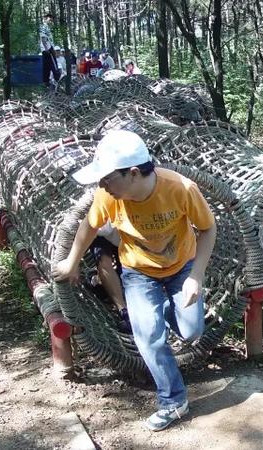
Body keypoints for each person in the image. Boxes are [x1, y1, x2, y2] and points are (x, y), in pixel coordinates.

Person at [52, 130, 216, 431]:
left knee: (192, 332)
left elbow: (208, 228)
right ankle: (173, 399)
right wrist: (71, 261)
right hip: (139, 272)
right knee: (149, 337)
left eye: (106, 178)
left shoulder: (180, 188)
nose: (101, 186)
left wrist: (196, 275)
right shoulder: (108, 196)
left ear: (134, 172)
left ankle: (169, 309)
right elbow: (89, 226)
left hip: (181, 268)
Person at [89, 221, 131, 333]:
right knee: (103, 260)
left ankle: (134, 305)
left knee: (128, 269)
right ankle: (123, 310)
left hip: (125, 232)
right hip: (98, 230)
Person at [39, 13, 60, 90]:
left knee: (47, 66)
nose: (51, 21)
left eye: (51, 20)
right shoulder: (43, 27)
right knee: (54, 64)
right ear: (45, 19)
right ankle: (57, 79)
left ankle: (46, 81)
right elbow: (43, 38)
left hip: (48, 48)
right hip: (47, 48)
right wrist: (47, 48)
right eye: (49, 19)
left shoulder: (47, 27)